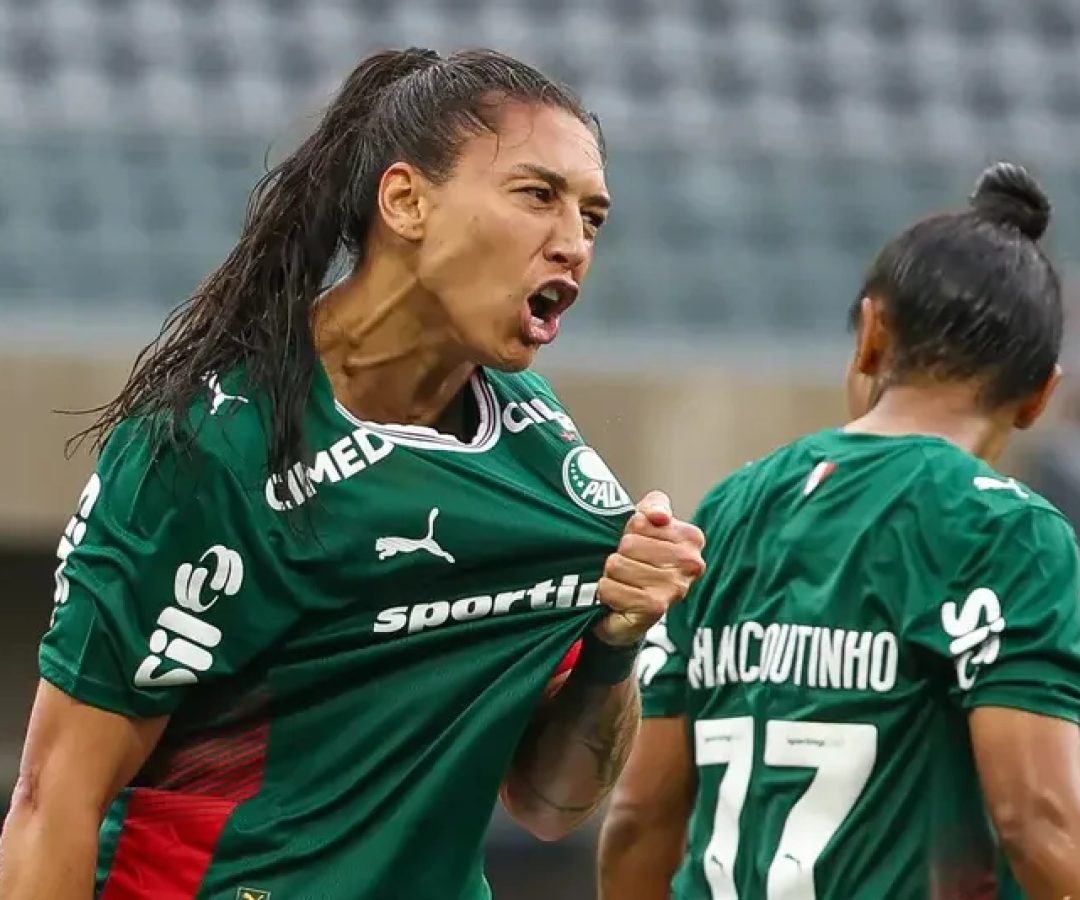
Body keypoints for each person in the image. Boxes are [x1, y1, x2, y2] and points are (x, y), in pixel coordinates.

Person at [0, 48, 706, 900]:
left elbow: (551, 804)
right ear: (405, 201)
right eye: (536, 196)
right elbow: (53, 801)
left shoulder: (543, 455)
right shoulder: (211, 451)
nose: (573, 244)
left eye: (592, 217)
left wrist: (616, 640)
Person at [597, 162, 1080, 900]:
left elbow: (637, 818)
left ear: (873, 333)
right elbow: (1039, 823)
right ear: (1041, 393)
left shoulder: (729, 510)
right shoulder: (1009, 535)